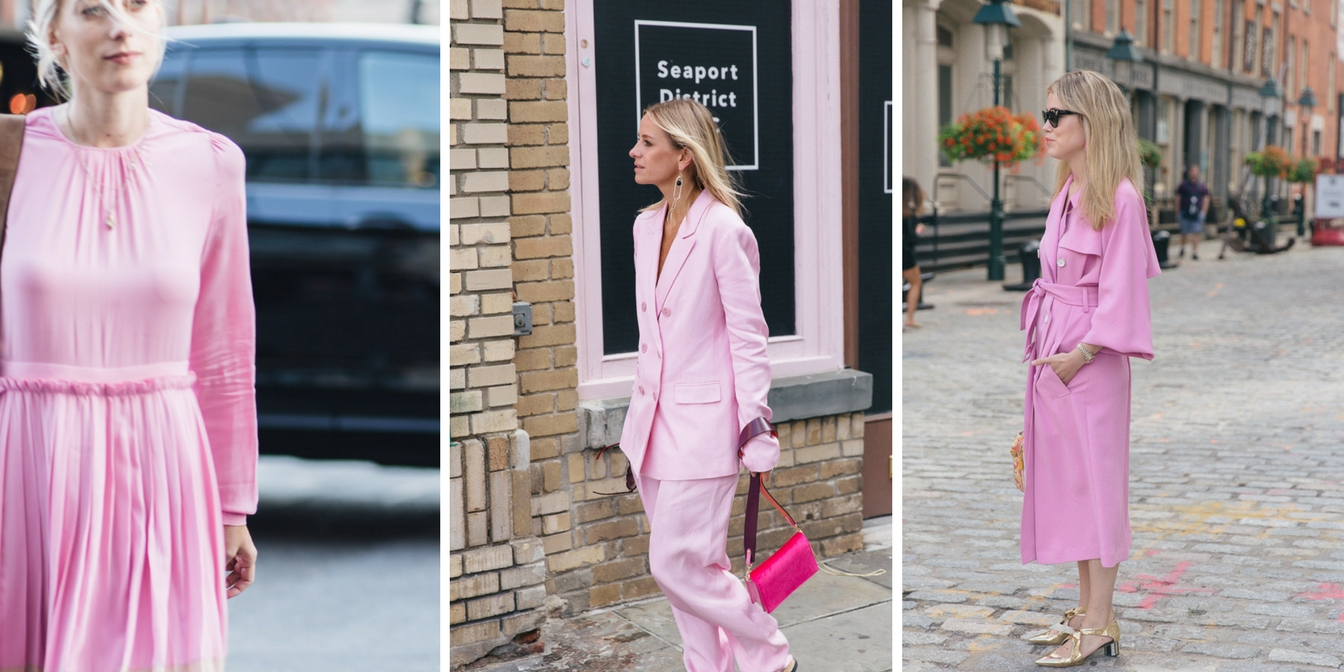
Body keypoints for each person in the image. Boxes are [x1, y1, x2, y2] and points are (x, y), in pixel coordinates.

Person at [0, 1, 258, 670]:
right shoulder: (7, 158)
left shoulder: (210, 162)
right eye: (93, 8)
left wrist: (233, 508)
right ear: (53, 33)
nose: (120, 25)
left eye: (137, 5)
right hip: (28, 467)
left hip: (162, 468)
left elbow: (224, 351)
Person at [621, 98, 796, 672]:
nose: (635, 151)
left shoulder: (724, 229)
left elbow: (748, 336)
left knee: (677, 566)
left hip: (706, 429)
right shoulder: (646, 227)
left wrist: (757, 426)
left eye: (648, 142)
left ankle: (770, 657)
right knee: (690, 573)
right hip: (651, 428)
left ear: (684, 157)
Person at [1019, 70, 1160, 668]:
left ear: (1090, 123)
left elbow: (1124, 294)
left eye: (1056, 117)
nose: (1044, 127)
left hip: (1089, 360)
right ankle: (1085, 609)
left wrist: (1081, 355)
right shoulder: (1067, 191)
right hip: (1055, 349)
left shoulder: (1119, 198)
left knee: (1099, 489)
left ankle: (1101, 623)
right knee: (1070, 486)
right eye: (1045, 115)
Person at [902, 177, 928, 329]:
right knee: (916, 283)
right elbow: (912, 237)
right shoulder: (907, 212)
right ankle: (910, 318)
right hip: (906, 253)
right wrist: (919, 229)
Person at [1175, 164, 1210, 260]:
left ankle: (1194, 251)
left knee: (1196, 232)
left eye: (1196, 171)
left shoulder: (1202, 186)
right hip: (1185, 211)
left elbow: (1206, 198)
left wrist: (1203, 211)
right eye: (1192, 171)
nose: (1194, 173)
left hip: (1197, 212)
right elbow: (1178, 197)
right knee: (1184, 231)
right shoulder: (1183, 185)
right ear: (1189, 172)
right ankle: (1182, 248)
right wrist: (1178, 210)